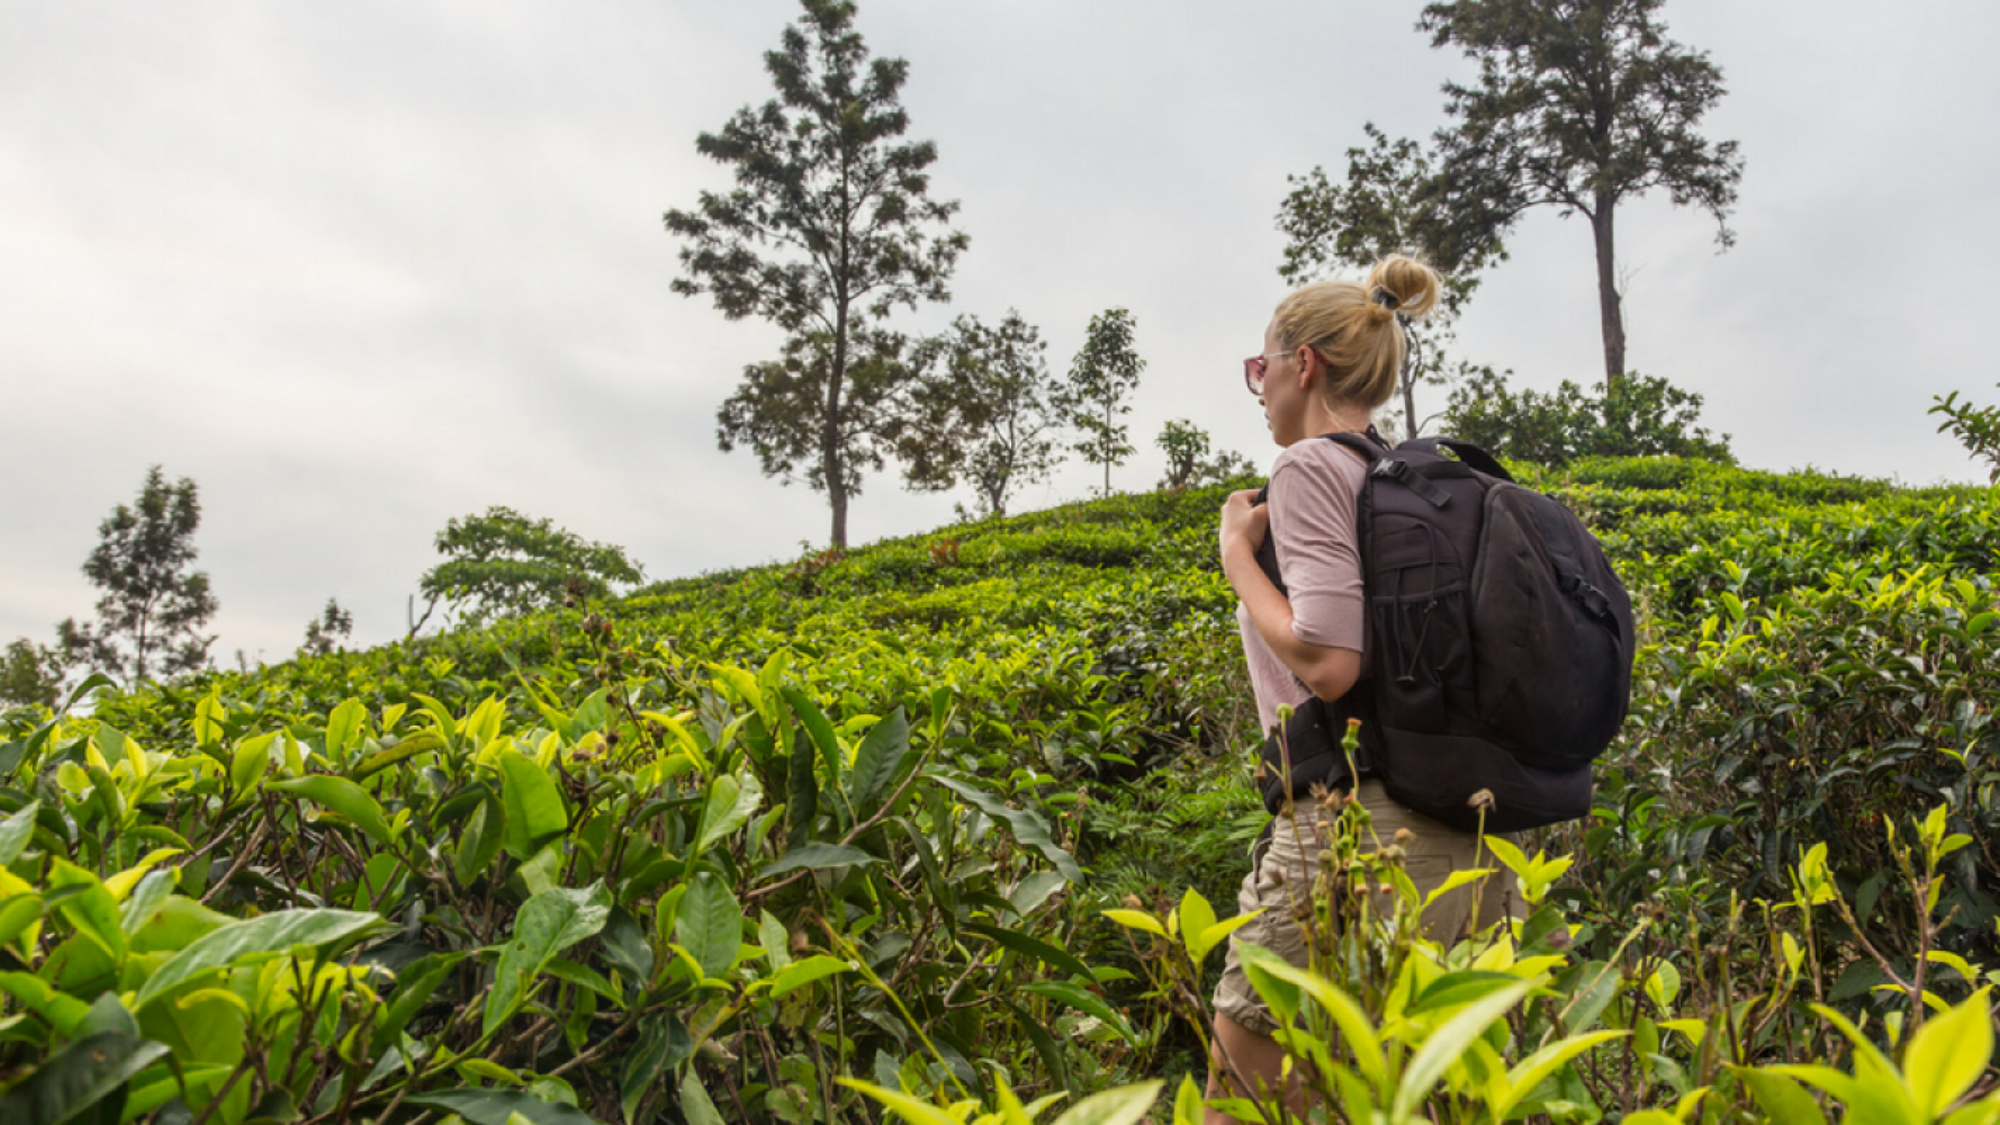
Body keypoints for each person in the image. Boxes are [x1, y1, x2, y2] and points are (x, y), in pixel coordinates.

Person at [1205, 255, 1518, 1123]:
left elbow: (1328, 656)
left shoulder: (1309, 469)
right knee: (1391, 1099)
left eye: (1258, 365)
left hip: (1360, 825)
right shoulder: (1398, 475)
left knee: (1243, 1095)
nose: (1256, 384)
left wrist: (1236, 553)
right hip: (1468, 828)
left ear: (1302, 364)